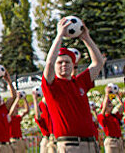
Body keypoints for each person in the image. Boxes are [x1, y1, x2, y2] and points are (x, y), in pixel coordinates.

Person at [41, 18, 104, 153]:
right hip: (69, 145)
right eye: (60, 62)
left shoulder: (80, 82)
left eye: (67, 62)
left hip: (90, 144)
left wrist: (86, 37)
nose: (64, 65)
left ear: (73, 65)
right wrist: (59, 36)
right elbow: (49, 64)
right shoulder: (52, 85)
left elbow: (98, 62)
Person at [97, 86, 123, 153]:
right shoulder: (103, 117)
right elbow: (103, 108)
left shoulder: (114, 116)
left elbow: (122, 106)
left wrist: (117, 95)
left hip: (119, 140)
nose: (111, 105)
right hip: (111, 141)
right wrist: (107, 94)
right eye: (109, 104)